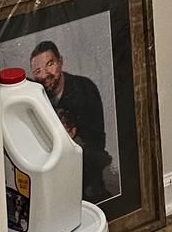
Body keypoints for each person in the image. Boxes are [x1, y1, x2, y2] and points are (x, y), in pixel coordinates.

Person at [29, 39, 116, 201]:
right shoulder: (34, 93)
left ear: (60, 62)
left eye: (50, 64)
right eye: (38, 71)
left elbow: (96, 141)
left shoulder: (84, 89)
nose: (45, 74)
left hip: (85, 165)